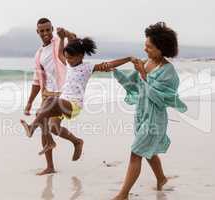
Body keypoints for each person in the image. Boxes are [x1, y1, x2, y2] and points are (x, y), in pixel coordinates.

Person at [21, 28, 133, 161]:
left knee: (50, 100)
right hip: (62, 102)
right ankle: (76, 142)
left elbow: (108, 64)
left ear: (80, 56)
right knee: (52, 126)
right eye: (67, 57)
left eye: (71, 58)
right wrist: (62, 39)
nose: (67, 60)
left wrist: (129, 59)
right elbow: (59, 55)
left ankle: (31, 127)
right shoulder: (69, 64)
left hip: (73, 105)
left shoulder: (87, 67)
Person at [111, 22, 187, 200]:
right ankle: (161, 179)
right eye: (145, 45)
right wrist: (115, 70)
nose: (145, 50)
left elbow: (161, 98)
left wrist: (144, 76)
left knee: (136, 151)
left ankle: (123, 194)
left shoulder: (169, 72)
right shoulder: (147, 62)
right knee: (149, 152)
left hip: (155, 119)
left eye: (149, 47)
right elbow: (134, 86)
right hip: (141, 114)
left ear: (161, 49)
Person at [23, 18, 81, 176]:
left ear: (52, 29)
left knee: (53, 127)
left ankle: (76, 141)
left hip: (63, 94)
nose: (45, 33)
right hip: (47, 94)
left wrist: (66, 34)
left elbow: (74, 40)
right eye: (42, 31)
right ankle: (50, 166)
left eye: (48, 30)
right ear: (38, 32)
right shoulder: (39, 54)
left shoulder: (59, 43)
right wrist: (29, 102)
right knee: (46, 127)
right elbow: (37, 80)